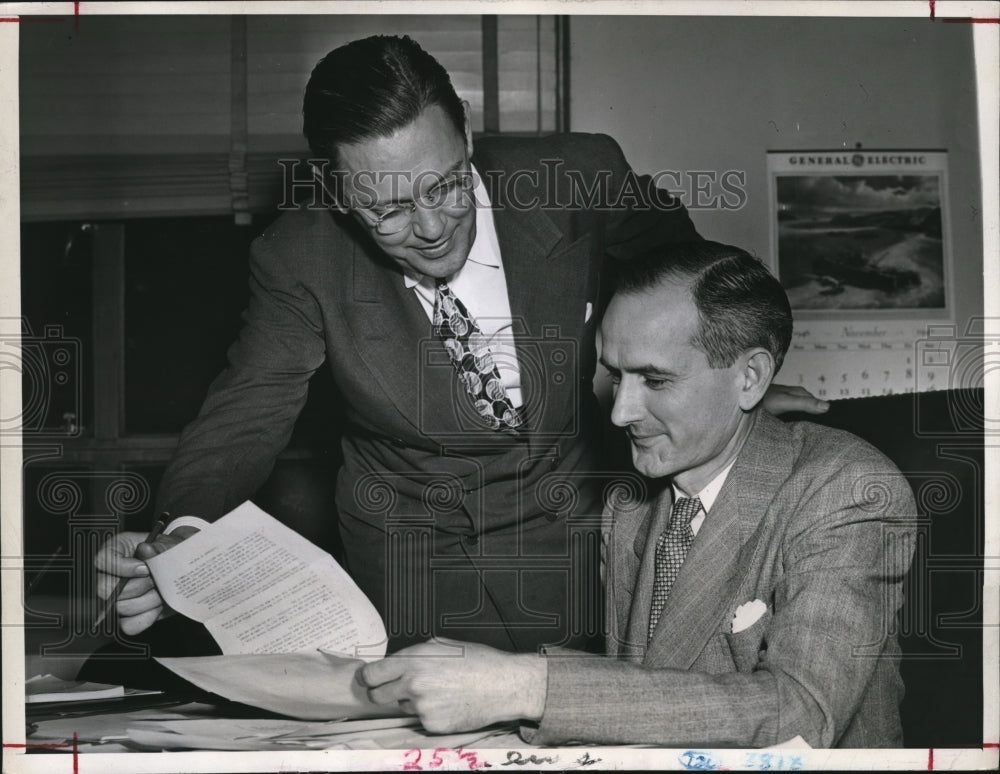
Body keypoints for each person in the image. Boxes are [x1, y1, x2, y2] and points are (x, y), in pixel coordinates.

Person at [94, 36, 824, 655]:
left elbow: (694, 281)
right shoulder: (299, 258)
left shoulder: (577, 177)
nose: (432, 227)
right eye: (387, 210)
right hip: (411, 553)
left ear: (466, 134)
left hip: (574, 530)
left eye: (445, 185)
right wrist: (183, 538)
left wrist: (729, 392)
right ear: (339, 193)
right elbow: (247, 411)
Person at [360, 241, 917, 748]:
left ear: (749, 377)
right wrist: (482, 676)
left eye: (655, 380)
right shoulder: (631, 502)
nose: (622, 412)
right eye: (615, 376)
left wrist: (528, 685)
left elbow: (800, 712)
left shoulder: (848, 490)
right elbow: (645, 690)